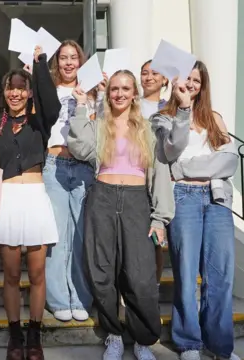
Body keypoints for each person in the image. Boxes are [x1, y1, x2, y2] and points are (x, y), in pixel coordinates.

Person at [68, 70, 174, 360]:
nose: (119, 94)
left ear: (134, 93)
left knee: (140, 275)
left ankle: (142, 339)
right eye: (114, 88)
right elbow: (79, 149)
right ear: (108, 92)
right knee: (102, 271)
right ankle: (113, 334)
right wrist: (80, 105)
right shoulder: (99, 124)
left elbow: (160, 174)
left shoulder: (148, 129)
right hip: (102, 197)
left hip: (137, 201)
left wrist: (159, 218)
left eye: (126, 88)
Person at [152, 61, 240, 360]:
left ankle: (220, 346)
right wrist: (184, 111)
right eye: (186, 79)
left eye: (196, 81)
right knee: (187, 274)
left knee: (220, 275)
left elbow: (230, 163)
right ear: (176, 81)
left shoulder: (214, 119)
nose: (191, 85)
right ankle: (189, 342)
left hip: (216, 201)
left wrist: (188, 168)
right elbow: (170, 152)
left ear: (203, 87)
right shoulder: (163, 118)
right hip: (184, 198)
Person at [0, 46, 60, 360]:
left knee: (38, 273)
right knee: (12, 275)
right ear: (4, 92)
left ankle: (34, 333)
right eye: (10, 87)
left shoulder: (40, 122)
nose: (15, 92)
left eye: (21, 87)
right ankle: (15, 334)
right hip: (10, 199)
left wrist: (40, 64)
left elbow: (52, 103)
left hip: (35, 198)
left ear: (29, 92)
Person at [43, 40, 103, 322]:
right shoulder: (49, 90)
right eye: (63, 58)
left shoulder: (92, 92)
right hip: (54, 164)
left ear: (82, 62)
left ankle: (79, 297)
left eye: (74, 58)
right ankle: (57, 298)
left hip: (83, 168)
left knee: (80, 235)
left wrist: (100, 96)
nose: (68, 63)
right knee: (56, 236)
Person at [139, 59, 169, 288]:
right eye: (144, 73)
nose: (149, 77)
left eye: (154, 73)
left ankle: (154, 288)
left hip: (167, 177)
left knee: (159, 242)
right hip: (141, 174)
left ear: (165, 79)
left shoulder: (170, 106)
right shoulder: (133, 104)